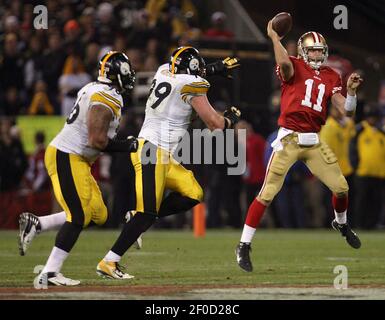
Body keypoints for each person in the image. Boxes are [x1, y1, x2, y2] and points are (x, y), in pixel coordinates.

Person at [95, 46, 241, 279]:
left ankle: (136, 217)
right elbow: (215, 124)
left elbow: (191, 74)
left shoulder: (164, 70)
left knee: (193, 193)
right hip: (151, 152)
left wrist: (213, 69)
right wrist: (231, 119)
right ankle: (109, 262)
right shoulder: (193, 85)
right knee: (147, 213)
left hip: (160, 154)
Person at [235, 21, 363, 273]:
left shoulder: (332, 75)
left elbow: (346, 111)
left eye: (320, 50)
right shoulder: (293, 64)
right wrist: (273, 36)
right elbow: (283, 64)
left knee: (341, 188)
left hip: (314, 140)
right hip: (290, 139)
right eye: (312, 50)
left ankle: (341, 224)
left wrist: (351, 92)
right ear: (304, 52)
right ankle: (244, 244)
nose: (317, 54)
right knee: (268, 192)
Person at [18, 51, 138, 286]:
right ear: (116, 73)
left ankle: (39, 223)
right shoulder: (105, 96)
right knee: (79, 215)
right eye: (126, 70)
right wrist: (128, 145)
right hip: (67, 155)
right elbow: (96, 140)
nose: (130, 74)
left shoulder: (98, 89)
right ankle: (50, 273)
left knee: (99, 214)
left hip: (79, 159)